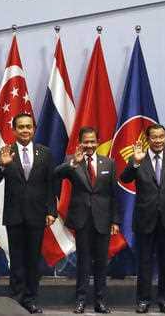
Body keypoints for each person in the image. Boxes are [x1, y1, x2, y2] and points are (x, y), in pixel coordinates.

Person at [118, 124, 165, 314]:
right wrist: (135, 162)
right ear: (147, 139)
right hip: (144, 219)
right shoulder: (138, 158)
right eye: (154, 137)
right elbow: (124, 179)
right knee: (144, 263)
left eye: (161, 137)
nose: (158, 140)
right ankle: (143, 300)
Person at [0, 113, 56, 314]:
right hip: (14, 215)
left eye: (28, 126)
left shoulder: (45, 153)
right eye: (21, 127)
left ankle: (31, 299)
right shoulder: (5, 151)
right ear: (14, 130)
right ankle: (16, 298)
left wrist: (51, 211)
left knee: (33, 259)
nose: (25, 130)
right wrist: (2, 164)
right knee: (17, 259)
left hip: (37, 215)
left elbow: (51, 185)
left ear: (34, 129)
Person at [53, 126, 120, 314]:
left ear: (97, 143)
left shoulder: (109, 163)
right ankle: (80, 301)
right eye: (86, 141)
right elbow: (56, 174)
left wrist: (115, 221)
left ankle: (100, 302)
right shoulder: (73, 162)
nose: (89, 145)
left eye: (92, 141)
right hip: (82, 220)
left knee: (101, 263)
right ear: (80, 143)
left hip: (103, 220)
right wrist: (73, 162)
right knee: (83, 262)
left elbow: (113, 195)